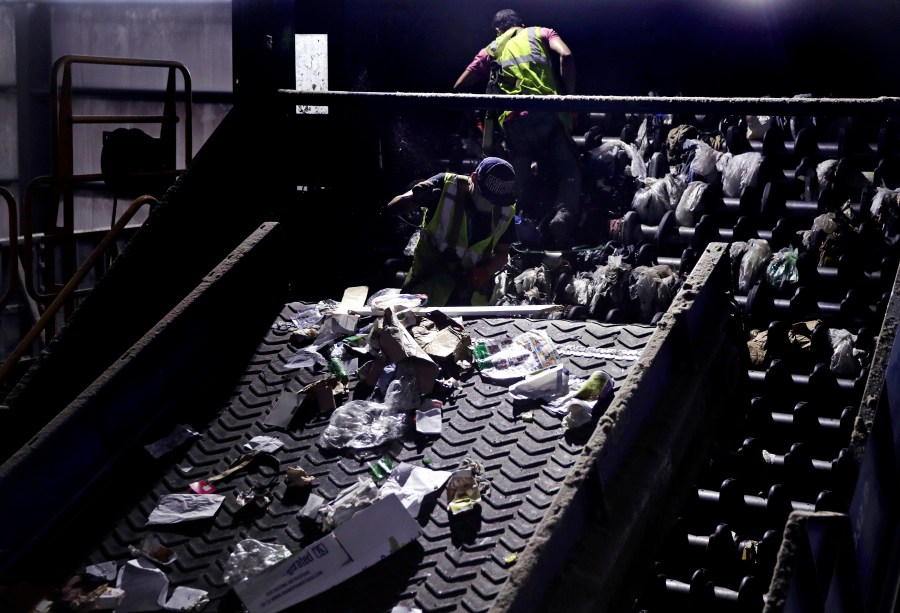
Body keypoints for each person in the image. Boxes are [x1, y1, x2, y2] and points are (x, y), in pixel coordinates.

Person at [453, 9, 582, 248]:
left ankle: (511, 230)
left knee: (515, 184)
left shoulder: (491, 49)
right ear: (521, 24)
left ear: (498, 30)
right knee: (569, 170)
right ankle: (563, 215)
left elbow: (459, 86)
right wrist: (570, 99)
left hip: (514, 125)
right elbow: (566, 55)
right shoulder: (541, 32)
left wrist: (476, 121)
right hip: (547, 115)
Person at [384, 157, 517, 307]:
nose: (490, 204)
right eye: (485, 196)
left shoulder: (506, 209)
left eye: (496, 201)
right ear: (473, 178)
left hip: (470, 300)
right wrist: (415, 199)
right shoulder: (447, 185)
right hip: (426, 292)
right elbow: (392, 207)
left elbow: (502, 252)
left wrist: (486, 272)